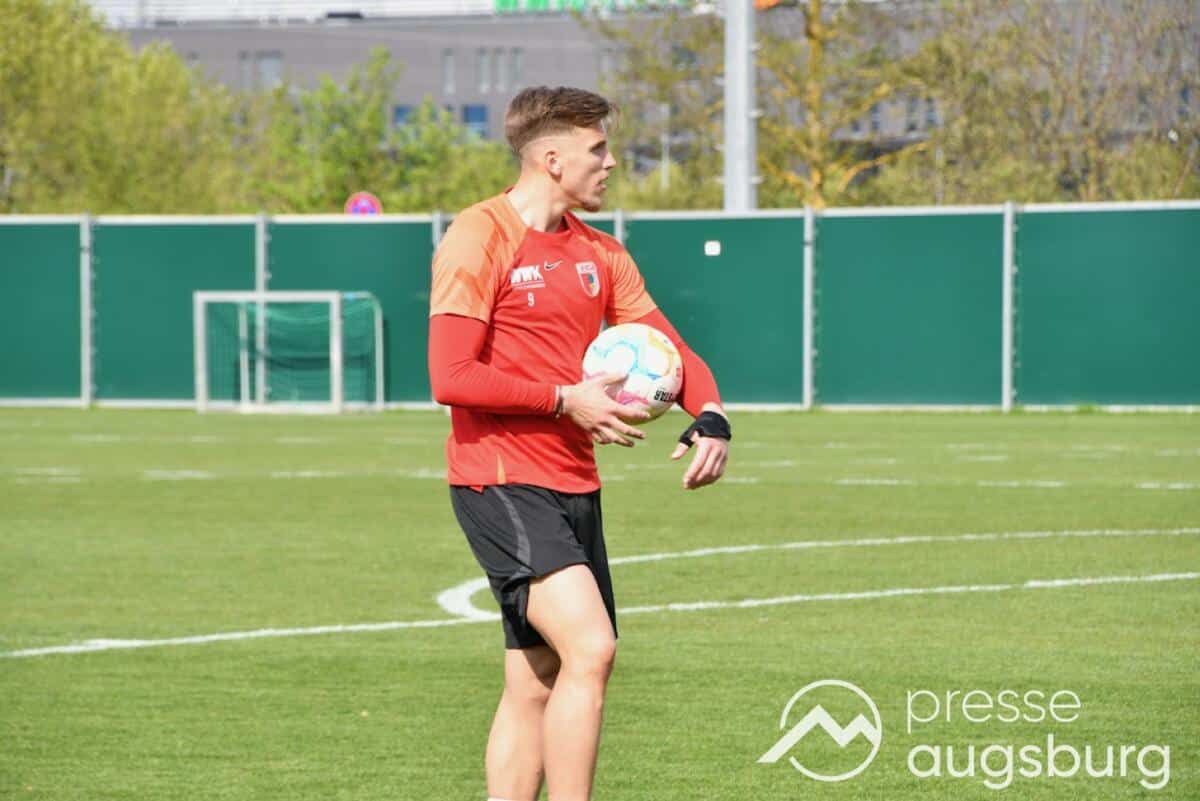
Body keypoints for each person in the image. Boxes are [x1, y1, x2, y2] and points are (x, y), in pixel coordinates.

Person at [427, 86, 731, 801]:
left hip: (574, 483)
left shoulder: (601, 252)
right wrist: (565, 399)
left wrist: (712, 414)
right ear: (553, 158)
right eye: (598, 149)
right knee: (592, 649)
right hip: (499, 479)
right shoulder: (479, 235)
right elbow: (450, 375)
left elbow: (672, 350)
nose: (612, 162)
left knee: (536, 678)